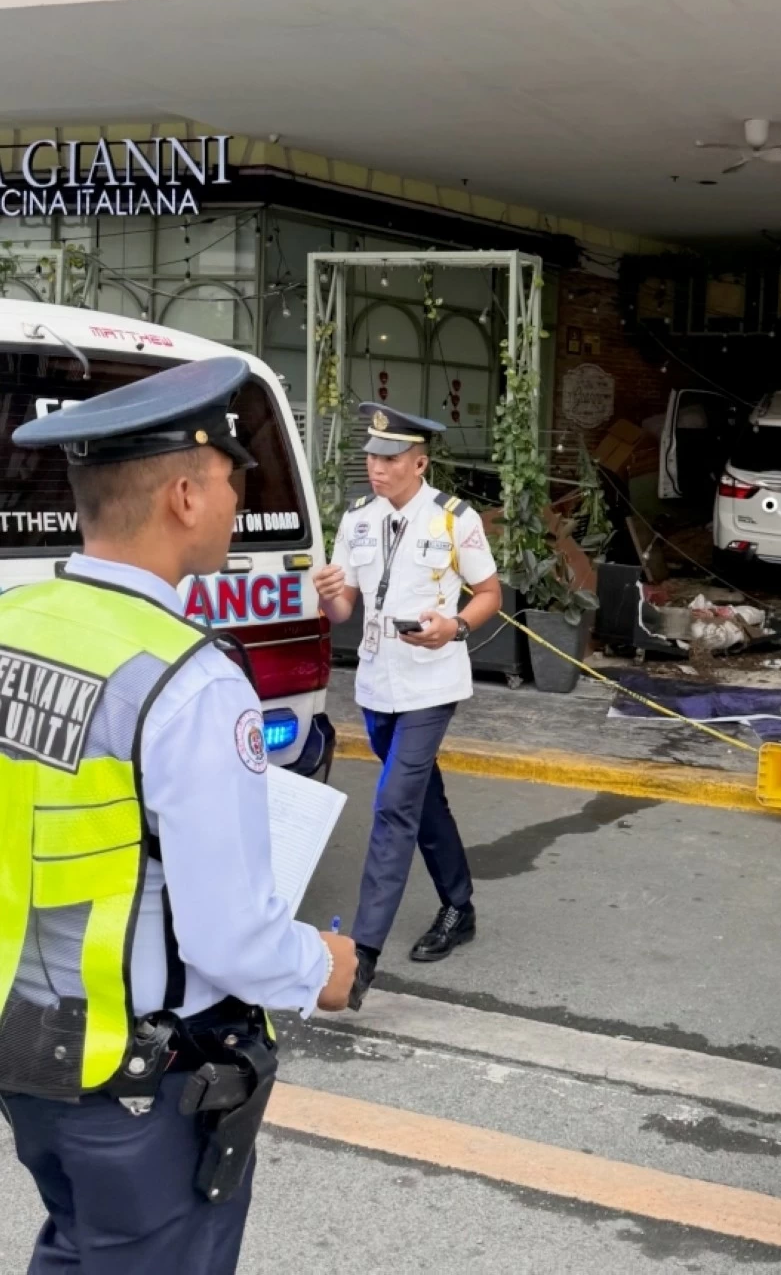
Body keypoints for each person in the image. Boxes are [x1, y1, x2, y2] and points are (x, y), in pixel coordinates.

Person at [0, 356, 358, 1274]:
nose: (240, 504)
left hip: (27, 1043)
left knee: (80, 1246)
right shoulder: (190, 680)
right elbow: (228, 935)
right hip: (138, 1075)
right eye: (237, 481)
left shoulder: (16, 622)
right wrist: (322, 965)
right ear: (188, 496)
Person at [312, 404, 502, 1009]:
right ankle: (459, 906)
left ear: (419, 462)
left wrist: (455, 626)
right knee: (422, 800)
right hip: (376, 685)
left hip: (430, 683)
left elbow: (490, 593)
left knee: (394, 805)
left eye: (389, 459)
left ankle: (362, 957)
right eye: (371, 456)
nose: (376, 468)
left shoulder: (454, 520)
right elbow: (345, 612)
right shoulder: (358, 520)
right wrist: (330, 597)